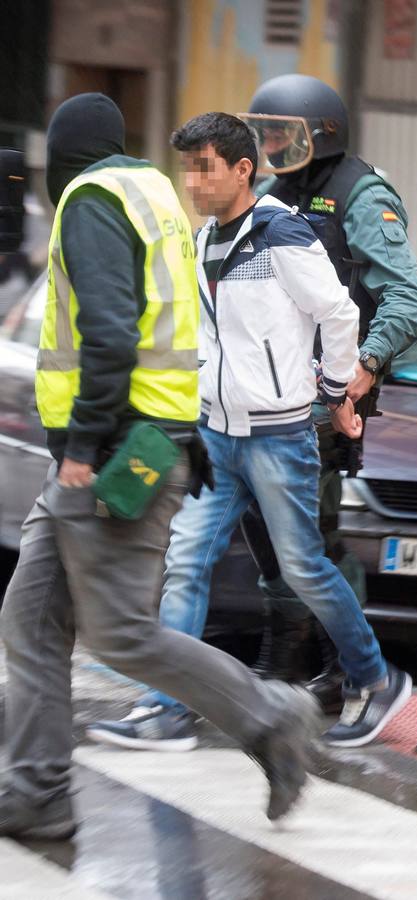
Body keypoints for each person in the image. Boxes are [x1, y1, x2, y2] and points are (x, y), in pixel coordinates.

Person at [1, 95, 317, 840]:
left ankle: (273, 717)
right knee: (30, 620)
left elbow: (111, 334)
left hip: (112, 455)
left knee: (120, 636)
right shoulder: (152, 193)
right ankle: (38, 789)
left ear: (65, 152)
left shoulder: (91, 200)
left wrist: (82, 446)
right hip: (141, 440)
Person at [86, 113, 411, 750]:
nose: (193, 181)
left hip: (277, 436)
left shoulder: (283, 234)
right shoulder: (206, 238)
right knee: (184, 564)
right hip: (216, 434)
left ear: (242, 170)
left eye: (204, 167)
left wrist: (336, 389)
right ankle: (168, 707)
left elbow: (339, 313)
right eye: (187, 168)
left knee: (304, 568)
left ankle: (376, 679)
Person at [236, 75, 417, 710]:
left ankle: (339, 668)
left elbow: (408, 297)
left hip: (325, 398)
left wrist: (365, 366)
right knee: (265, 525)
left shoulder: (361, 196)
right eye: (262, 131)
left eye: (279, 133)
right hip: (263, 392)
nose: (268, 143)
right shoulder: (271, 192)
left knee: (310, 535)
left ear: (319, 136)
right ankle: (295, 656)